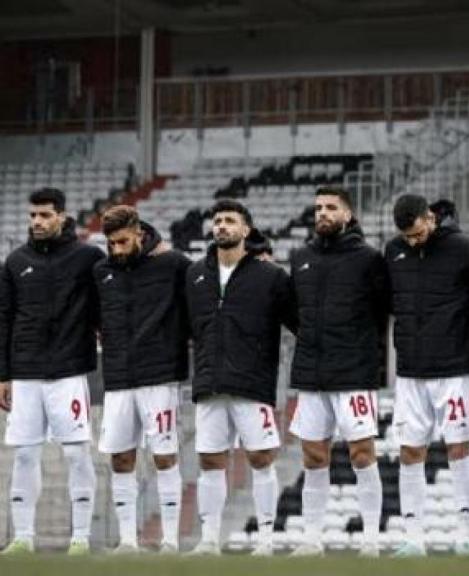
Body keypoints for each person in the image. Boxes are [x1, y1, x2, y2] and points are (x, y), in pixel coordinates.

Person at [185, 199, 297, 556]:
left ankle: (265, 540)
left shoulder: (272, 276)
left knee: (262, 459)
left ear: (246, 230)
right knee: (209, 461)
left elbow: (299, 323)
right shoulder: (196, 274)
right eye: (217, 220)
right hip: (209, 383)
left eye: (229, 220)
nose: (221, 226)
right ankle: (209, 540)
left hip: (252, 385)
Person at [0, 188, 104, 556]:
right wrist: (3, 374)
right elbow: (5, 320)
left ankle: (79, 537)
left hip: (69, 372)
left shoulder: (89, 257)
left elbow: (104, 308)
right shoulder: (15, 262)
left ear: (61, 215)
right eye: (32, 216)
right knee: (25, 455)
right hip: (25, 374)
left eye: (44, 215)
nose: (37, 222)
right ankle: (23, 537)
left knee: (77, 454)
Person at [385, 194, 469, 557]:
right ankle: (413, 537)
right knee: (410, 450)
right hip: (411, 370)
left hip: (453, 368)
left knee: (459, 448)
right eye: (407, 237)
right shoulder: (393, 251)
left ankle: (466, 533)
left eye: (416, 234)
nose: (412, 242)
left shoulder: (466, 248)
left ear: (430, 218)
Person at [289, 186, 388, 557]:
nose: (323, 214)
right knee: (313, 457)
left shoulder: (368, 258)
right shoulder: (300, 257)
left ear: (348, 214)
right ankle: (312, 540)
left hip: (354, 371)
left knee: (362, 453)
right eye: (318, 208)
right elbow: (293, 312)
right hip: (311, 373)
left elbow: (382, 311)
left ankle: (371, 541)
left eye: (331, 207)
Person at [94, 205, 192, 554]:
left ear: (139, 232)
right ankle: (128, 542)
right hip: (118, 378)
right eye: (111, 243)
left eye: (122, 241)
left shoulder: (173, 265)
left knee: (164, 456)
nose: (117, 249)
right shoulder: (101, 272)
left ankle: (169, 541)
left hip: (160, 376)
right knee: (120, 459)